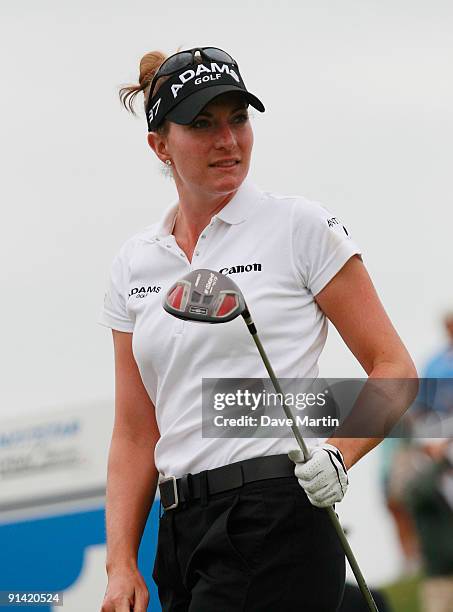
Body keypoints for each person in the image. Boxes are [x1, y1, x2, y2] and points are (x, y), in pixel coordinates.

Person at [98, 46, 418, 612]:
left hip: (276, 513)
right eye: (202, 124)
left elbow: (394, 371)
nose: (228, 139)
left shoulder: (299, 226)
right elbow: (133, 430)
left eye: (238, 119)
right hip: (180, 532)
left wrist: (340, 454)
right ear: (159, 144)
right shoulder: (134, 263)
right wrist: (121, 562)